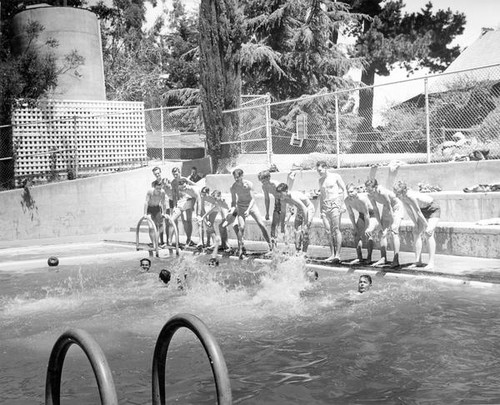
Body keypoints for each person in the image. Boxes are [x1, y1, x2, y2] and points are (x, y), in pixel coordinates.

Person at [393, 180, 441, 270]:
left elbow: (418, 212)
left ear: (403, 191)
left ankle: (431, 263)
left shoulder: (410, 196)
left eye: (397, 193)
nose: (396, 195)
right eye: (395, 192)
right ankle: (418, 261)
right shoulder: (402, 197)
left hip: (433, 209)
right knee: (416, 232)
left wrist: (426, 225)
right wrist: (415, 223)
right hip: (423, 211)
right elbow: (409, 211)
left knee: (428, 233)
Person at [230, 168, 272, 259]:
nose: (236, 179)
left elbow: (253, 199)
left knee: (261, 224)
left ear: (242, 176)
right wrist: (232, 209)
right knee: (241, 227)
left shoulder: (249, 184)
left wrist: (248, 210)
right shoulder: (233, 187)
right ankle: (241, 250)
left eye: (238, 177)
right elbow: (233, 202)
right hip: (241, 207)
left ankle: (271, 247)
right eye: (235, 177)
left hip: (251, 206)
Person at [365, 179, 404, 268]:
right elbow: (375, 210)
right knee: (381, 233)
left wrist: (392, 221)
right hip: (386, 208)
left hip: (396, 207)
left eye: (370, 190)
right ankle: (383, 258)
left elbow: (390, 206)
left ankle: (396, 260)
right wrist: (380, 224)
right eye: (367, 190)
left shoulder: (382, 192)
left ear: (375, 187)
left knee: (394, 232)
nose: (369, 192)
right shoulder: (370, 195)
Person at [316, 161, 346, 263]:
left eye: (320, 170)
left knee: (336, 229)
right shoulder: (320, 180)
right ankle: (332, 254)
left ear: (325, 168)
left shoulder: (335, 176)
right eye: (317, 170)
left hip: (335, 204)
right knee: (328, 231)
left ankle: (338, 255)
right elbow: (322, 195)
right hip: (325, 206)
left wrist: (343, 204)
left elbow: (344, 189)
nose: (319, 172)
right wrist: (321, 210)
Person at [276, 182, 315, 254]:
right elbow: (283, 212)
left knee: (305, 230)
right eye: (278, 194)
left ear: (286, 191)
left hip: (308, 208)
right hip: (300, 210)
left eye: (281, 194)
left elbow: (305, 209)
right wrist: (282, 225)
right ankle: (298, 250)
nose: (279, 196)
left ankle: (304, 252)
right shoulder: (283, 199)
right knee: (296, 229)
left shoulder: (293, 196)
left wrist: (306, 223)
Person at [344, 183, 378, 264]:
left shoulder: (362, 199)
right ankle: (359, 258)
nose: (350, 194)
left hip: (372, 215)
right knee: (356, 235)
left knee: (368, 234)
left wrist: (367, 228)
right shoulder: (347, 200)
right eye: (348, 192)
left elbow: (367, 214)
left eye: (351, 192)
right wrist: (355, 227)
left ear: (356, 191)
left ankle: (369, 257)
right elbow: (351, 214)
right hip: (361, 215)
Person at [170, 178, 201, 247]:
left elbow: (199, 200)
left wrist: (198, 214)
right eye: (181, 187)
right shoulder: (181, 188)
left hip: (199, 199)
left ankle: (199, 242)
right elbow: (175, 197)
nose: (183, 188)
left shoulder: (192, 189)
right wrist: (175, 207)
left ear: (187, 184)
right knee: (172, 220)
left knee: (198, 220)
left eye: (184, 186)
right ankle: (170, 241)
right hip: (187, 201)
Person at [151, 166, 174, 245]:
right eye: (155, 174)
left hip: (166, 204)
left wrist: (168, 185)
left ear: (160, 172)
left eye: (158, 173)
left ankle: (168, 241)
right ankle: (161, 241)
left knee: (167, 223)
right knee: (159, 223)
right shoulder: (153, 184)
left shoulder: (166, 180)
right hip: (158, 205)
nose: (157, 175)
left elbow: (171, 191)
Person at [143, 180, 167, 248]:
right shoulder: (150, 192)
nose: (159, 190)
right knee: (151, 227)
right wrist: (145, 213)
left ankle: (156, 242)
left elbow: (163, 203)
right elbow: (146, 202)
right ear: (154, 187)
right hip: (149, 209)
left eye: (160, 188)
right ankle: (154, 244)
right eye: (157, 188)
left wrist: (164, 213)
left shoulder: (162, 192)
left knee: (161, 226)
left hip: (157, 209)